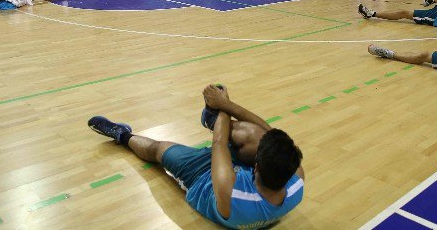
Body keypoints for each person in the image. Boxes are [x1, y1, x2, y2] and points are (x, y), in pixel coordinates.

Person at [88, 84, 304, 229]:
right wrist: (226, 105)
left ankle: (122, 135)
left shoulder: (231, 193)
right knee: (259, 136)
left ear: (255, 167)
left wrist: (223, 105)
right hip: (239, 181)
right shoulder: (296, 185)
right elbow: (270, 135)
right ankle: (210, 118)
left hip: (204, 180)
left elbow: (218, 141)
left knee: (158, 149)